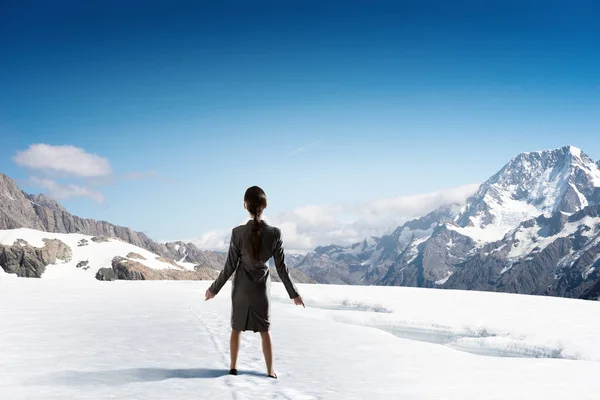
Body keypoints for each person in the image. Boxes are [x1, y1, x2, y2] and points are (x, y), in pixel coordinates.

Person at [204, 186, 305, 379]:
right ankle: (270, 371)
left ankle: (233, 368)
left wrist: (213, 289)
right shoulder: (275, 233)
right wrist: (294, 293)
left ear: (245, 205)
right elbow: (282, 268)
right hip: (261, 292)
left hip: (241, 291)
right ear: (265, 206)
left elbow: (229, 267)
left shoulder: (237, 233)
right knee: (265, 330)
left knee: (236, 329)